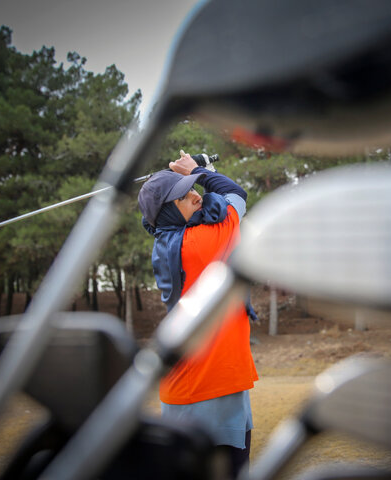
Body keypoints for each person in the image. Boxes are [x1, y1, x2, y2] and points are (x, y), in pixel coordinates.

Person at [138, 150, 258, 478]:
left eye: (191, 187)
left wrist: (186, 177)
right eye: (183, 194)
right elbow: (235, 196)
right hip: (206, 385)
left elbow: (159, 218)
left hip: (210, 378)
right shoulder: (200, 244)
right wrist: (200, 171)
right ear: (167, 212)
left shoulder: (168, 238)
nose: (194, 194)